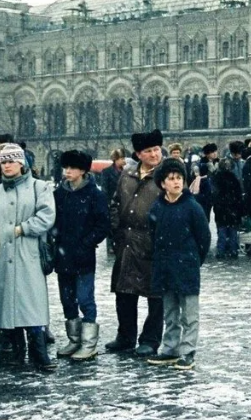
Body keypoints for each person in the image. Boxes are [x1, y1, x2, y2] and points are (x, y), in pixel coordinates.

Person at [0, 143, 56, 371]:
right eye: (3, 162)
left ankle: (39, 352)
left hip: (29, 254)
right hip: (3, 256)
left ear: (21, 163)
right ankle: (15, 351)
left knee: (31, 305)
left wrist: (23, 228)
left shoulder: (39, 187)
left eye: (11, 161)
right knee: (7, 307)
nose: (7, 166)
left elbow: (47, 216)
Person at [145, 158, 211, 370]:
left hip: (187, 267)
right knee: (170, 313)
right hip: (164, 268)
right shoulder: (157, 208)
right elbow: (153, 236)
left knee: (189, 314)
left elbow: (204, 238)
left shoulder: (193, 207)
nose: (176, 182)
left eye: (179, 178)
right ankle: (170, 348)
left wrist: (193, 260)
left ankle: (188, 350)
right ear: (163, 183)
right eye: (171, 179)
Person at [106, 130, 165, 357]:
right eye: (148, 151)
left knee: (155, 295)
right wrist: (116, 230)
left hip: (153, 243)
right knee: (124, 292)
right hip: (127, 243)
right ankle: (125, 336)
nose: (154, 154)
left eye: (156, 150)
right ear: (139, 154)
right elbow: (114, 202)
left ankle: (150, 339)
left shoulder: (167, 174)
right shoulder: (128, 174)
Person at [53, 150, 108, 361]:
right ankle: (74, 339)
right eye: (65, 167)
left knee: (85, 298)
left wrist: (87, 243)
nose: (67, 171)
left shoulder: (95, 194)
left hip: (84, 256)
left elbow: (102, 224)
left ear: (83, 171)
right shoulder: (59, 193)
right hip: (63, 255)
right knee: (67, 299)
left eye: (72, 168)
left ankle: (88, 343)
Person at [211, 155, 243, 258]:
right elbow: (239, 195)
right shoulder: (234, 179)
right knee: (233, 230)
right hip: (233, 209)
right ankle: (233, 250)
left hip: (221, 209)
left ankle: (221, 251)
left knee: (222, 230)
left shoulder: (216, 178)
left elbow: (214, 194)